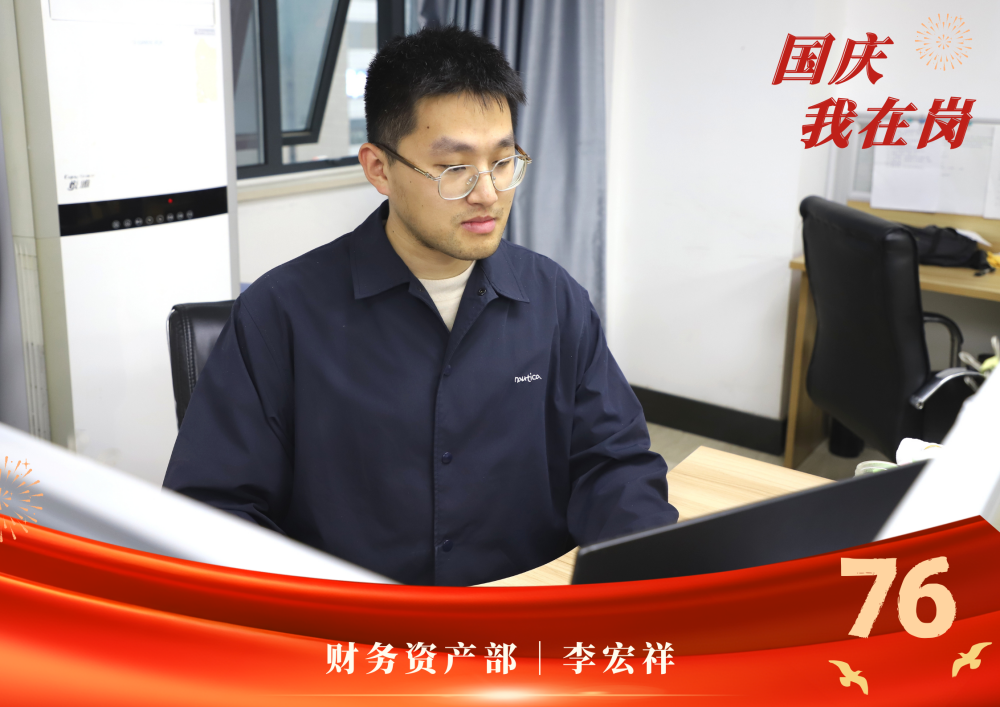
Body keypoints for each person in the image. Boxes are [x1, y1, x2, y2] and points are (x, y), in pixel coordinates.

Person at [163, 26, 678, 586]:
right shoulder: (279, 313)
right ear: (379, 168)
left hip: (526, 618)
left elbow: (613, 463)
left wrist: (648, 579)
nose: (487, 193)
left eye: (503, 161)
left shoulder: (555, 299)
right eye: (455, 169)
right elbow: (215, 508)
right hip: (352, 625)